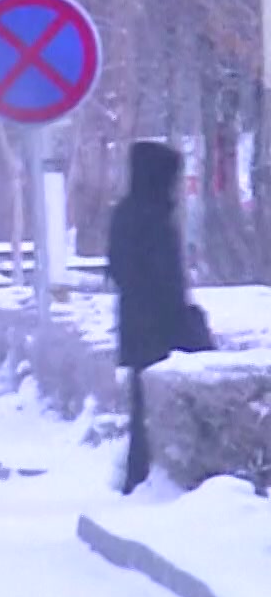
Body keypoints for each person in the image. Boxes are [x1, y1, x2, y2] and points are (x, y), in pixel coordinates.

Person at [107, 141, 210, 495]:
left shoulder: (125, 214)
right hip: (163, 329)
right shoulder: (155, 219)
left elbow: (120, 271)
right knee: (170, 407)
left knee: (142, 406)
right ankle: (155, 477)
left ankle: (137, 475)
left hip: (135, 327)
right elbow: (167, 282)